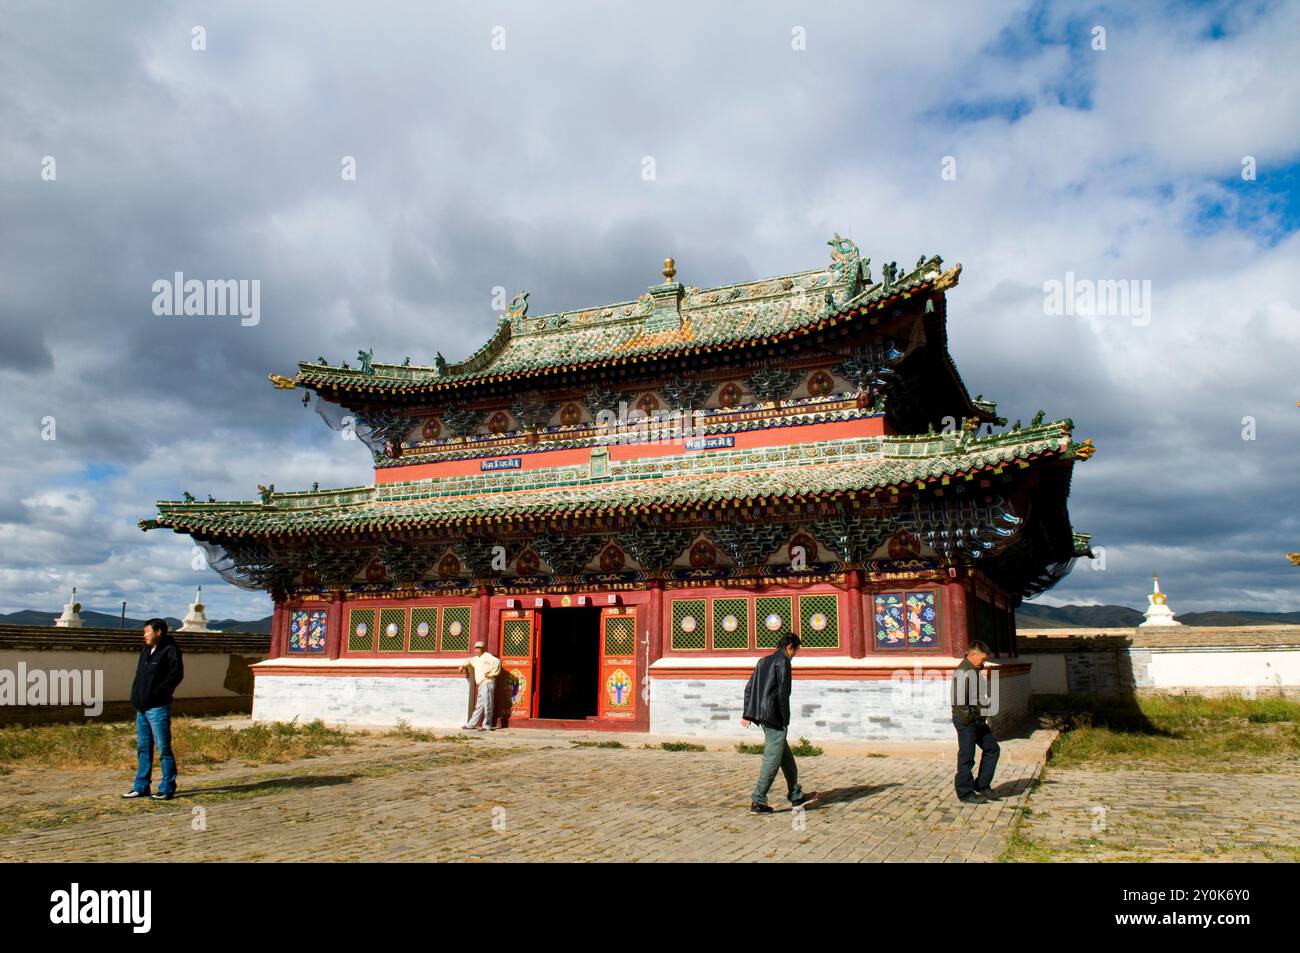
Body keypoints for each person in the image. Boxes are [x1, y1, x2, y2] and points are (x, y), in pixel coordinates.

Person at [740, 634, 818, 815]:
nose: (795, 655)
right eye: (796, 650)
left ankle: (796, 795)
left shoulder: (763, 661)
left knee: (787, 760)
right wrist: (785, 719)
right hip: (774, 716)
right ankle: (758, 800)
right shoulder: (783, 661)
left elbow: (749, 688)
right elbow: (783, 693)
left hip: (763, 716)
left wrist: (748, 713)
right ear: (790, 646)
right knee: (772, 760)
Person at [122, 618, 184, 801]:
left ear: (158, 632)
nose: (144, 635)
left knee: (163, 748)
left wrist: (159, 693)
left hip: (158, 708)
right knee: (143, 747)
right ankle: (141, 786)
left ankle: (167, 787)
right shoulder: (146, 651)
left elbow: (176, 675)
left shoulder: (170, 651)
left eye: (147, 631)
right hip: (141, 707)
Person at [952, 640, 1001, 803]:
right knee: (967, 756)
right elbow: (960, 703)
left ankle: (982, 784)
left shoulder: (974, 670)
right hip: (966, 721)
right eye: (982, 659)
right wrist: (970, 720)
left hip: (977, 720)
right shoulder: (963, 672)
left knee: (992, 748)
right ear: (973, 655)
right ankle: (964, 792)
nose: (983, 662)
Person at [459, 640, 501, 730]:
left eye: (479, 648)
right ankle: (471, 724)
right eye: (476, 648)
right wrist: (462, 666)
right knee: (479, 706)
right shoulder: (476, 659)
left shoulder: (487, 656)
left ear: (483, 649)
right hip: (481, 684)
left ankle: (487, 725)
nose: (477, 650)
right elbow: (468, 660)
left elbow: (497, 662)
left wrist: (491, 674)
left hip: (487, 682)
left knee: (488, 704)